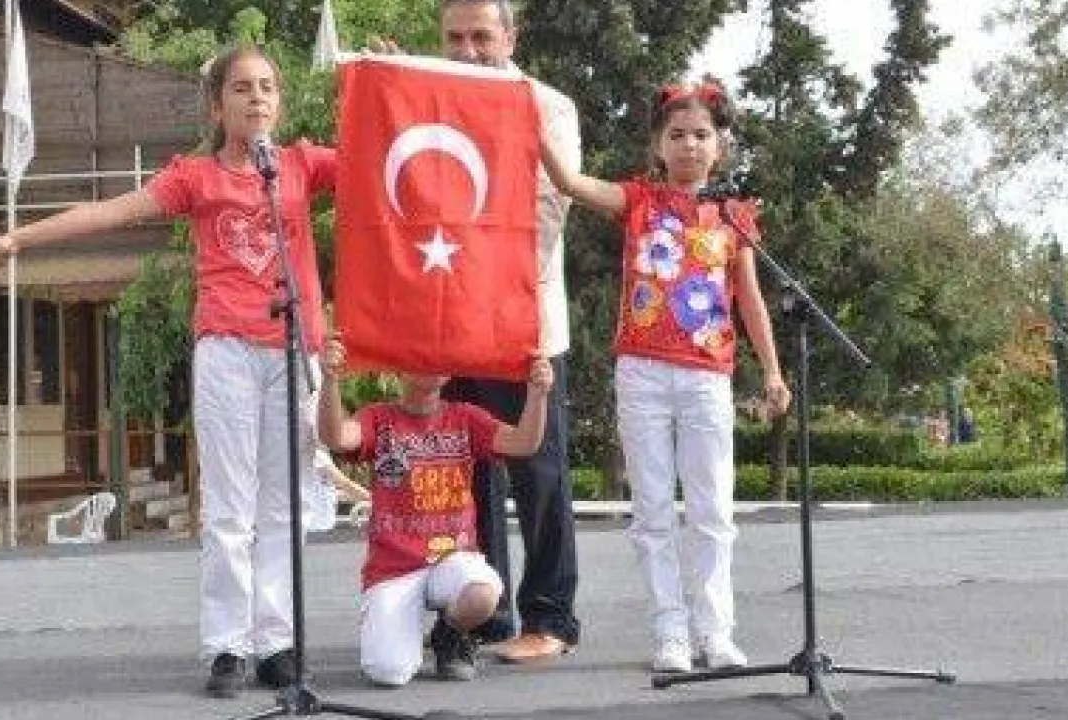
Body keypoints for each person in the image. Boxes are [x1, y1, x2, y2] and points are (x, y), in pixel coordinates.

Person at [0, 45, 337, 698]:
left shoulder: (301, 165)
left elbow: (386, 156)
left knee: (283, 505)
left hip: (292, 348)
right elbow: (106, 212)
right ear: (217, 106)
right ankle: (228, 645)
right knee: (230, 507)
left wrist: (388, 78)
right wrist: (17, 240)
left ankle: (276, 642)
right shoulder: (196, 176)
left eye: (267, 87)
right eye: (242, 88)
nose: (257, 98)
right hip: (228, 350)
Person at [536, 78, 792, 673]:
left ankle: (715, 632)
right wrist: (534, 129)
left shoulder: (734, 216)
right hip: (643, 372)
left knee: (712, 510)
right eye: (677, 134)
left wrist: (773, 371)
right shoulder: (638, 201)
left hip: (708, 375)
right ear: (658, 144)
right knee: (652, 510)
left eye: (701, 135)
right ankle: (670, 633)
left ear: (719, 146)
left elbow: (750, 300)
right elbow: (571, 183)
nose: (690, 145)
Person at [435, 0, 584, 663]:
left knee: (537, 473)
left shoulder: (547, 106)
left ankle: (550, 618)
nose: (467, 50)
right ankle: (484, 611)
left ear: (511, 37)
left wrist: (470, 260)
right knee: (466, 474)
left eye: (481, 36)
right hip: (448, 321)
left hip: (521, 322)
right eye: (454, 38)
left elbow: (548, 214)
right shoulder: (430, 100)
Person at [317, 332, 553, 685]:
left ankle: (451, 632)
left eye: (438, 356)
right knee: (388, 672)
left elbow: (524, 443)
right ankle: (400, 625)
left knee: (483, 591)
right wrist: (330, 380)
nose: (429, 362)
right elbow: (335, 437)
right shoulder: (378, 418)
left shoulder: (466, 417)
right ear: (397, 368)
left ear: (449, 372)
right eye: (418, 354)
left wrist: (537, 394)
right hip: (394, 569)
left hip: (451, 559)